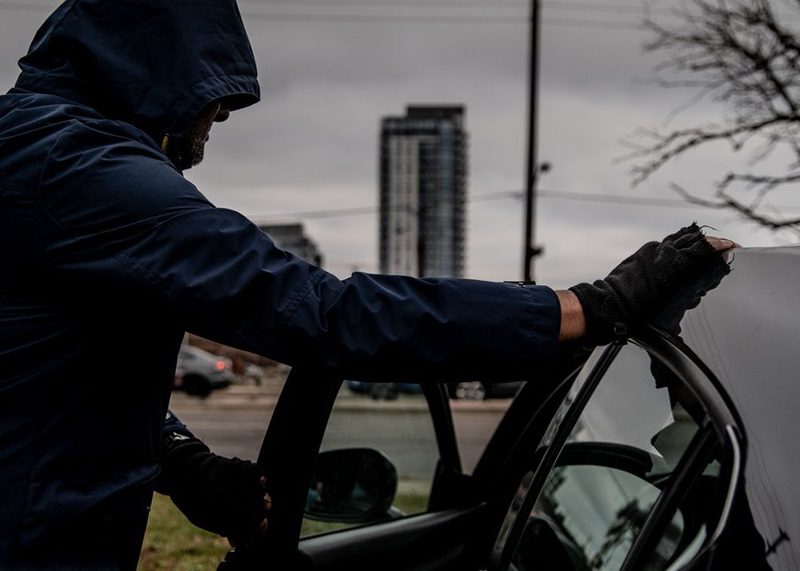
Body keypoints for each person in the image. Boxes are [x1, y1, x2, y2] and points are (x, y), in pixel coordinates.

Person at [0, 1, 734, 569]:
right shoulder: (78, 169)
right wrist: (581, 309)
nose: (207, 133)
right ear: (156, 71)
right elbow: (323, 314)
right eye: (211, 109)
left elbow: (46, 371)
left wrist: (177, 458)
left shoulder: (33, 147)